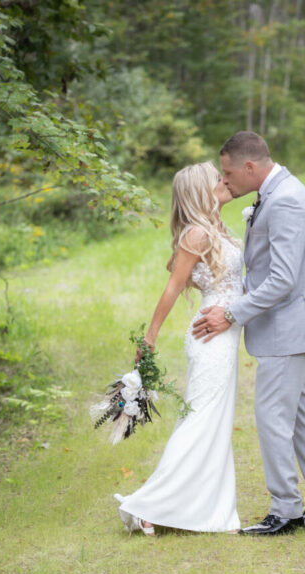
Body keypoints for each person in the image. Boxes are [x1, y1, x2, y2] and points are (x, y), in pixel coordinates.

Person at [192, 131, 305, 536]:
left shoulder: (288, 200)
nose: (224, 182)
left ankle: (286, 510)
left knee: (273, 418)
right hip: (284, 327)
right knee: (302, 417)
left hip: (286, 328)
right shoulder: (274, 192)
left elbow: (282, 280)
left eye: (227, 173)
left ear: (250, 167)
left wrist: (231, 313)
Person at [114, 161, 242, 535]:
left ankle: (207, 510)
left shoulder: (210, 230)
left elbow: (178, 267)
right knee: (201, 420)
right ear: (200, 191)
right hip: (210, 337)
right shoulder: (198, 234)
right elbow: (173, 285)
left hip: (224, 334)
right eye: (215, 179)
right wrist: (149, 338)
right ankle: (149, 507)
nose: (223, 181)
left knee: (214, 423)